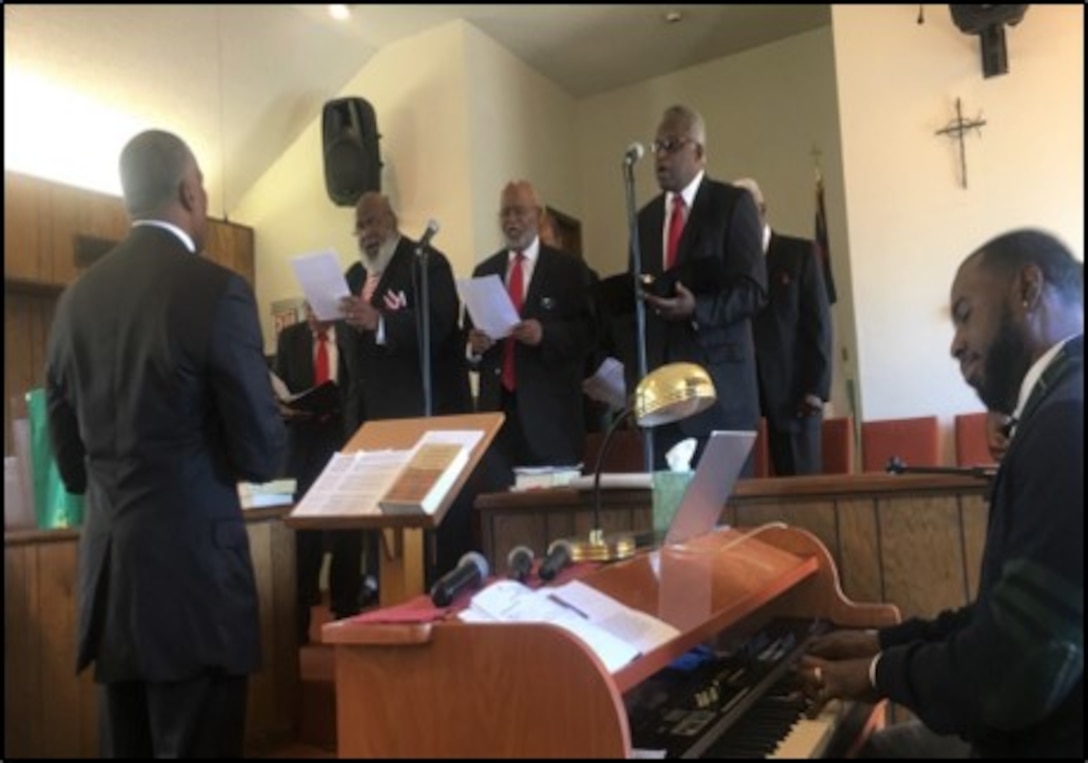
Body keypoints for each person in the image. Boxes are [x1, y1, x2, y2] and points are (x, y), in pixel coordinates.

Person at [44, 129, 286, 757]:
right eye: (202, 186)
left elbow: (70, 466)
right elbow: (263, 453)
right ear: (188, 190)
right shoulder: (215, 290)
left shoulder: (75, 302)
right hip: (196, 591)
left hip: (113, 586)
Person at [801, 229, 1083, 758]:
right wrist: (882, 644)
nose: (954, 343)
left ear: (1027, 288)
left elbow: (1016, 673)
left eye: (964, 313)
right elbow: (1004, 614)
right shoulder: (1061, 406)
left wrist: (879, 673)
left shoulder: (1066, 421)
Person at [339, 192, 473, 578]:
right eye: (360, 226)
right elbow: (349, 358)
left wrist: (379, 322)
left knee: (423, 535)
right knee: (379, 531)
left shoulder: (426, 263)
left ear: (392, 221)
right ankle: (378, 583)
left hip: (418, 417)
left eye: (374, 222)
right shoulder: (352, 277)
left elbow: (439, 323)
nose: (367, 233)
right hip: (369, 422)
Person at [635, 105, 767, 470]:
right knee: (671, 521)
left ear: (699, 152)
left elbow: (754, 289)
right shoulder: (644, 220)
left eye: (672, 145)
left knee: (728, 521)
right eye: (657, 146)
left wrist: (699, 309)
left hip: (721, 399)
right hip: (664, 405)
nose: (661, 156)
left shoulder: (732, 204)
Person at [467, 180, 597, 486]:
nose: (512, 221)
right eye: (505, 214)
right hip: (498, 420)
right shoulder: (484, 271)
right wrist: (474, 346)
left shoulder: (569, 270)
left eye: (520, 212)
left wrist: (545, 335)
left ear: (537, 215)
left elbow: (589, 334)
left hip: (551, 420)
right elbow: (467, 338)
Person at [274, 305, 366, 643]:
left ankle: (346, 612)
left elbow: (359, 385)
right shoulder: (290, 338)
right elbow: (280, 390)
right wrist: (288, 408)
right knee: (303, 534)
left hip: (342, 440)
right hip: (302, 444)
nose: (311, 315)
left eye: (317, 307)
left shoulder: (349, 336)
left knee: (346, 532)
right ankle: (299, 619)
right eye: (306, 308)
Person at [733, 177, 832, 476]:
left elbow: (819, 326)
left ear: (762, 210)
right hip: (744, 399)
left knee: (801, 492)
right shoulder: (729, 267)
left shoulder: (799, 254)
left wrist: (816, 389)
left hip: (795, 397)